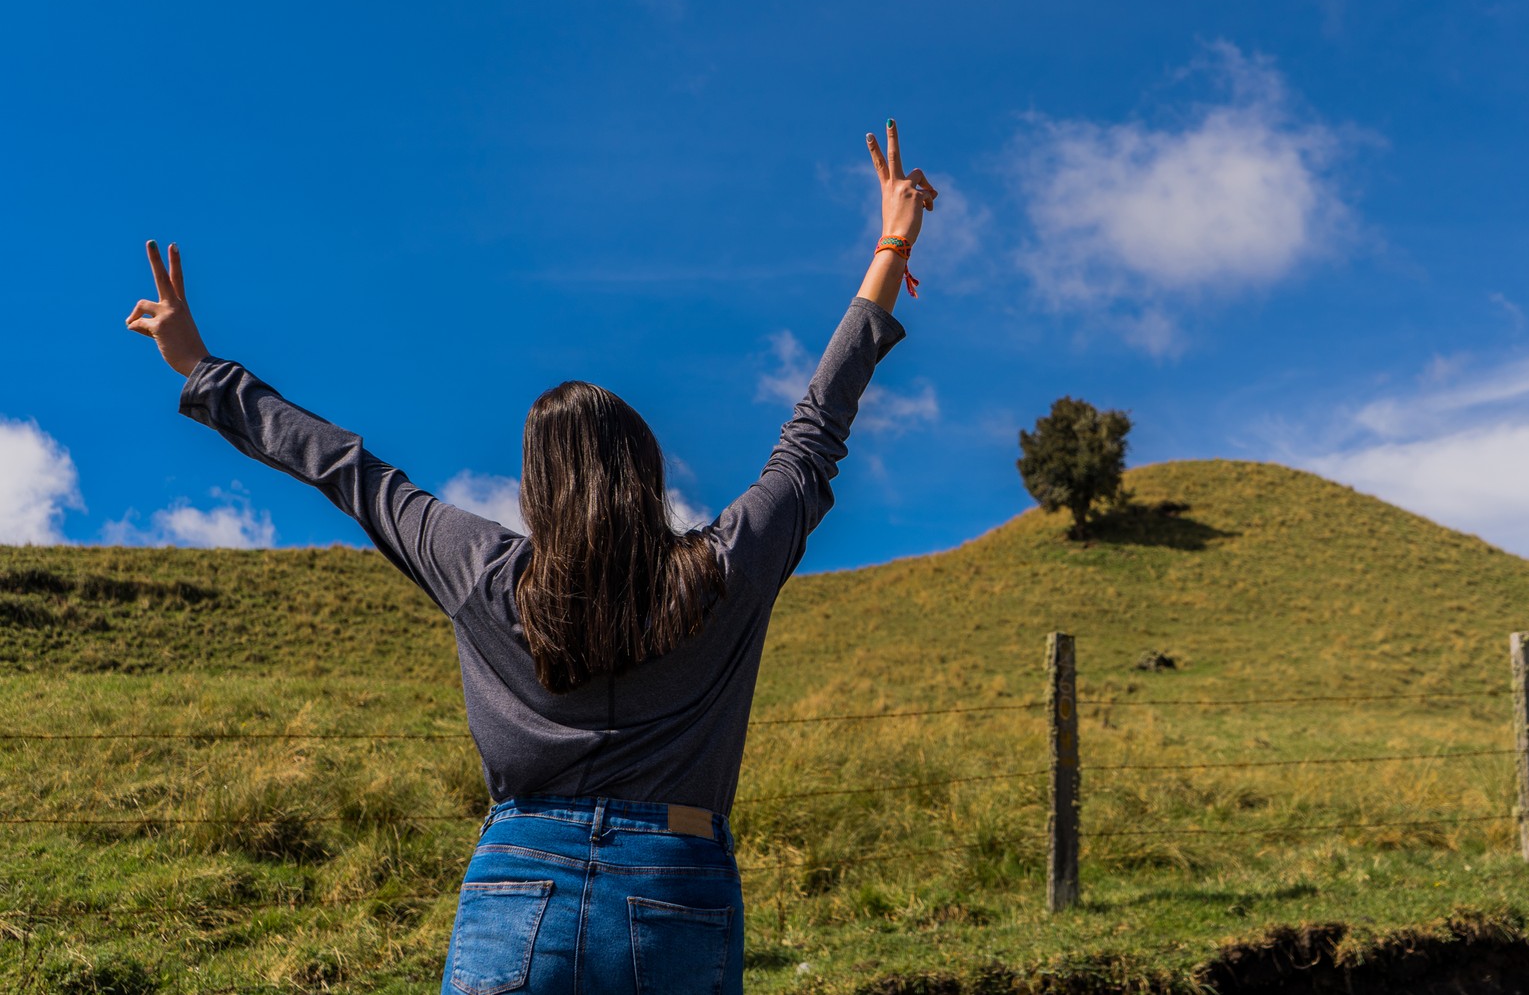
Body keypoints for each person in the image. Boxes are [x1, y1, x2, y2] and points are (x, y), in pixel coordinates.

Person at [124, 124, 937, 995]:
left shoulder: (479, 567)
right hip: (678, 880)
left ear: (537, 484)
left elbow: (348, 470)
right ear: (646, 470)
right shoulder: (722, 569)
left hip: (519, 875)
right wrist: (890, 244)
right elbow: (812, 437)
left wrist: (204, 368)